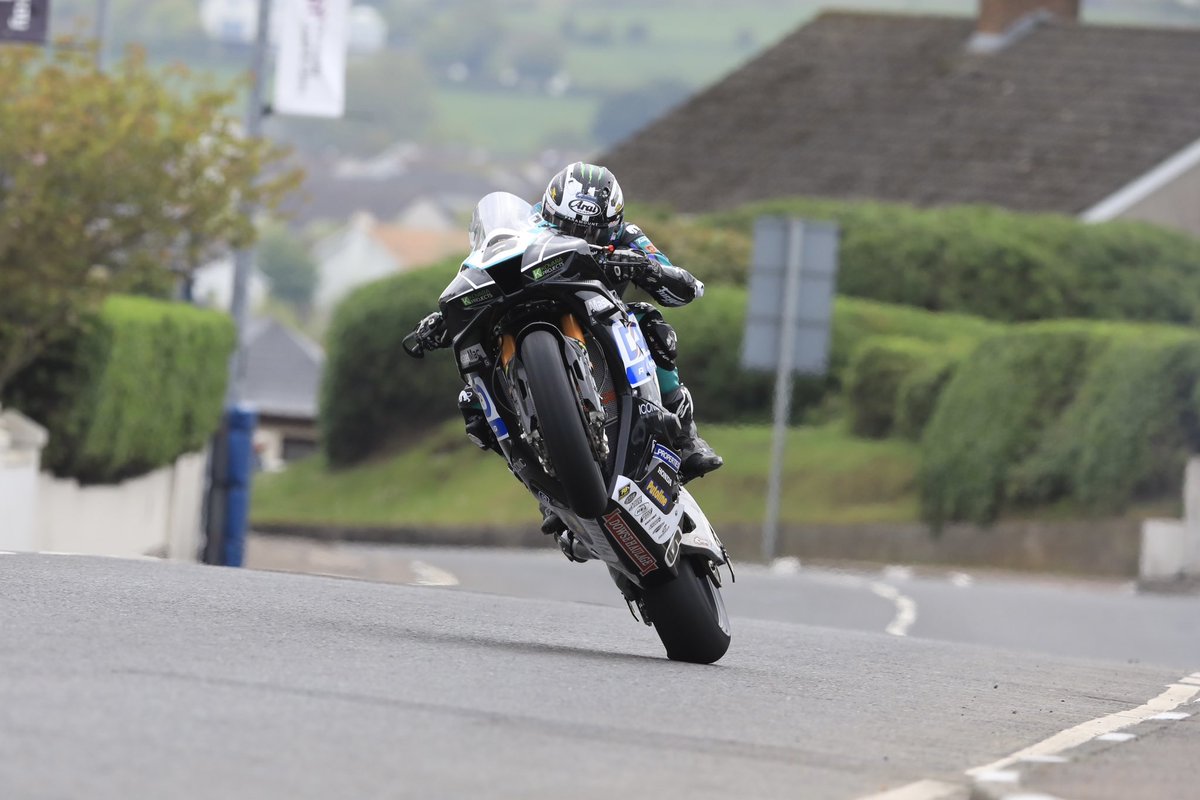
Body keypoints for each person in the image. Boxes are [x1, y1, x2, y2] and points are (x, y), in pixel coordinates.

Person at [410, 162, 723, 541]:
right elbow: (484, 264)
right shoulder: (527, 227)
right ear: (550, 212)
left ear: (615, 222)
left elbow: (685, 288)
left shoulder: (629, 235)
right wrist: (443, 318)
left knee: (649, 320)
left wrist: (647, 268)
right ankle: (541, 488)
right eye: (570, 230)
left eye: (594, 233)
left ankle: (686, 436)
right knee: (472, 403)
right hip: (539, 312)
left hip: (602, 324)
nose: (581, 238)